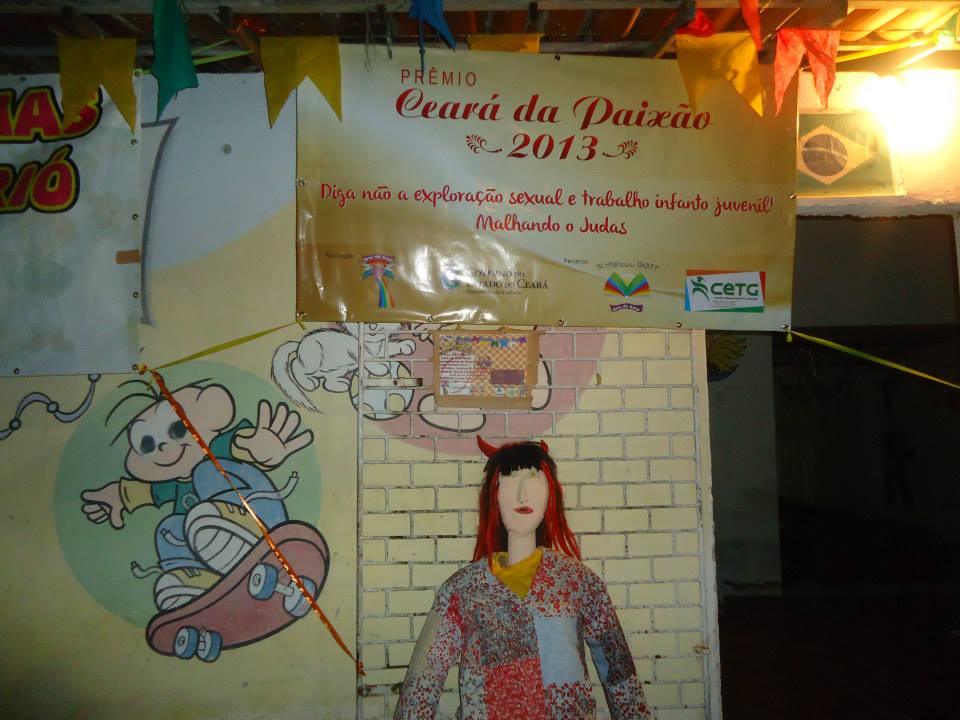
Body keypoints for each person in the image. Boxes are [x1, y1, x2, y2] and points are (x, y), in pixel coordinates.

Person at [395, 436, 652, 719]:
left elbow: (620, 674)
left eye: (533, 479)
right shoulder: (462, 590)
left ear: (550, 493)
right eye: (509, 480)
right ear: (494, 495)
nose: (522, 493)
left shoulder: (578, 583)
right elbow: (423, 680)